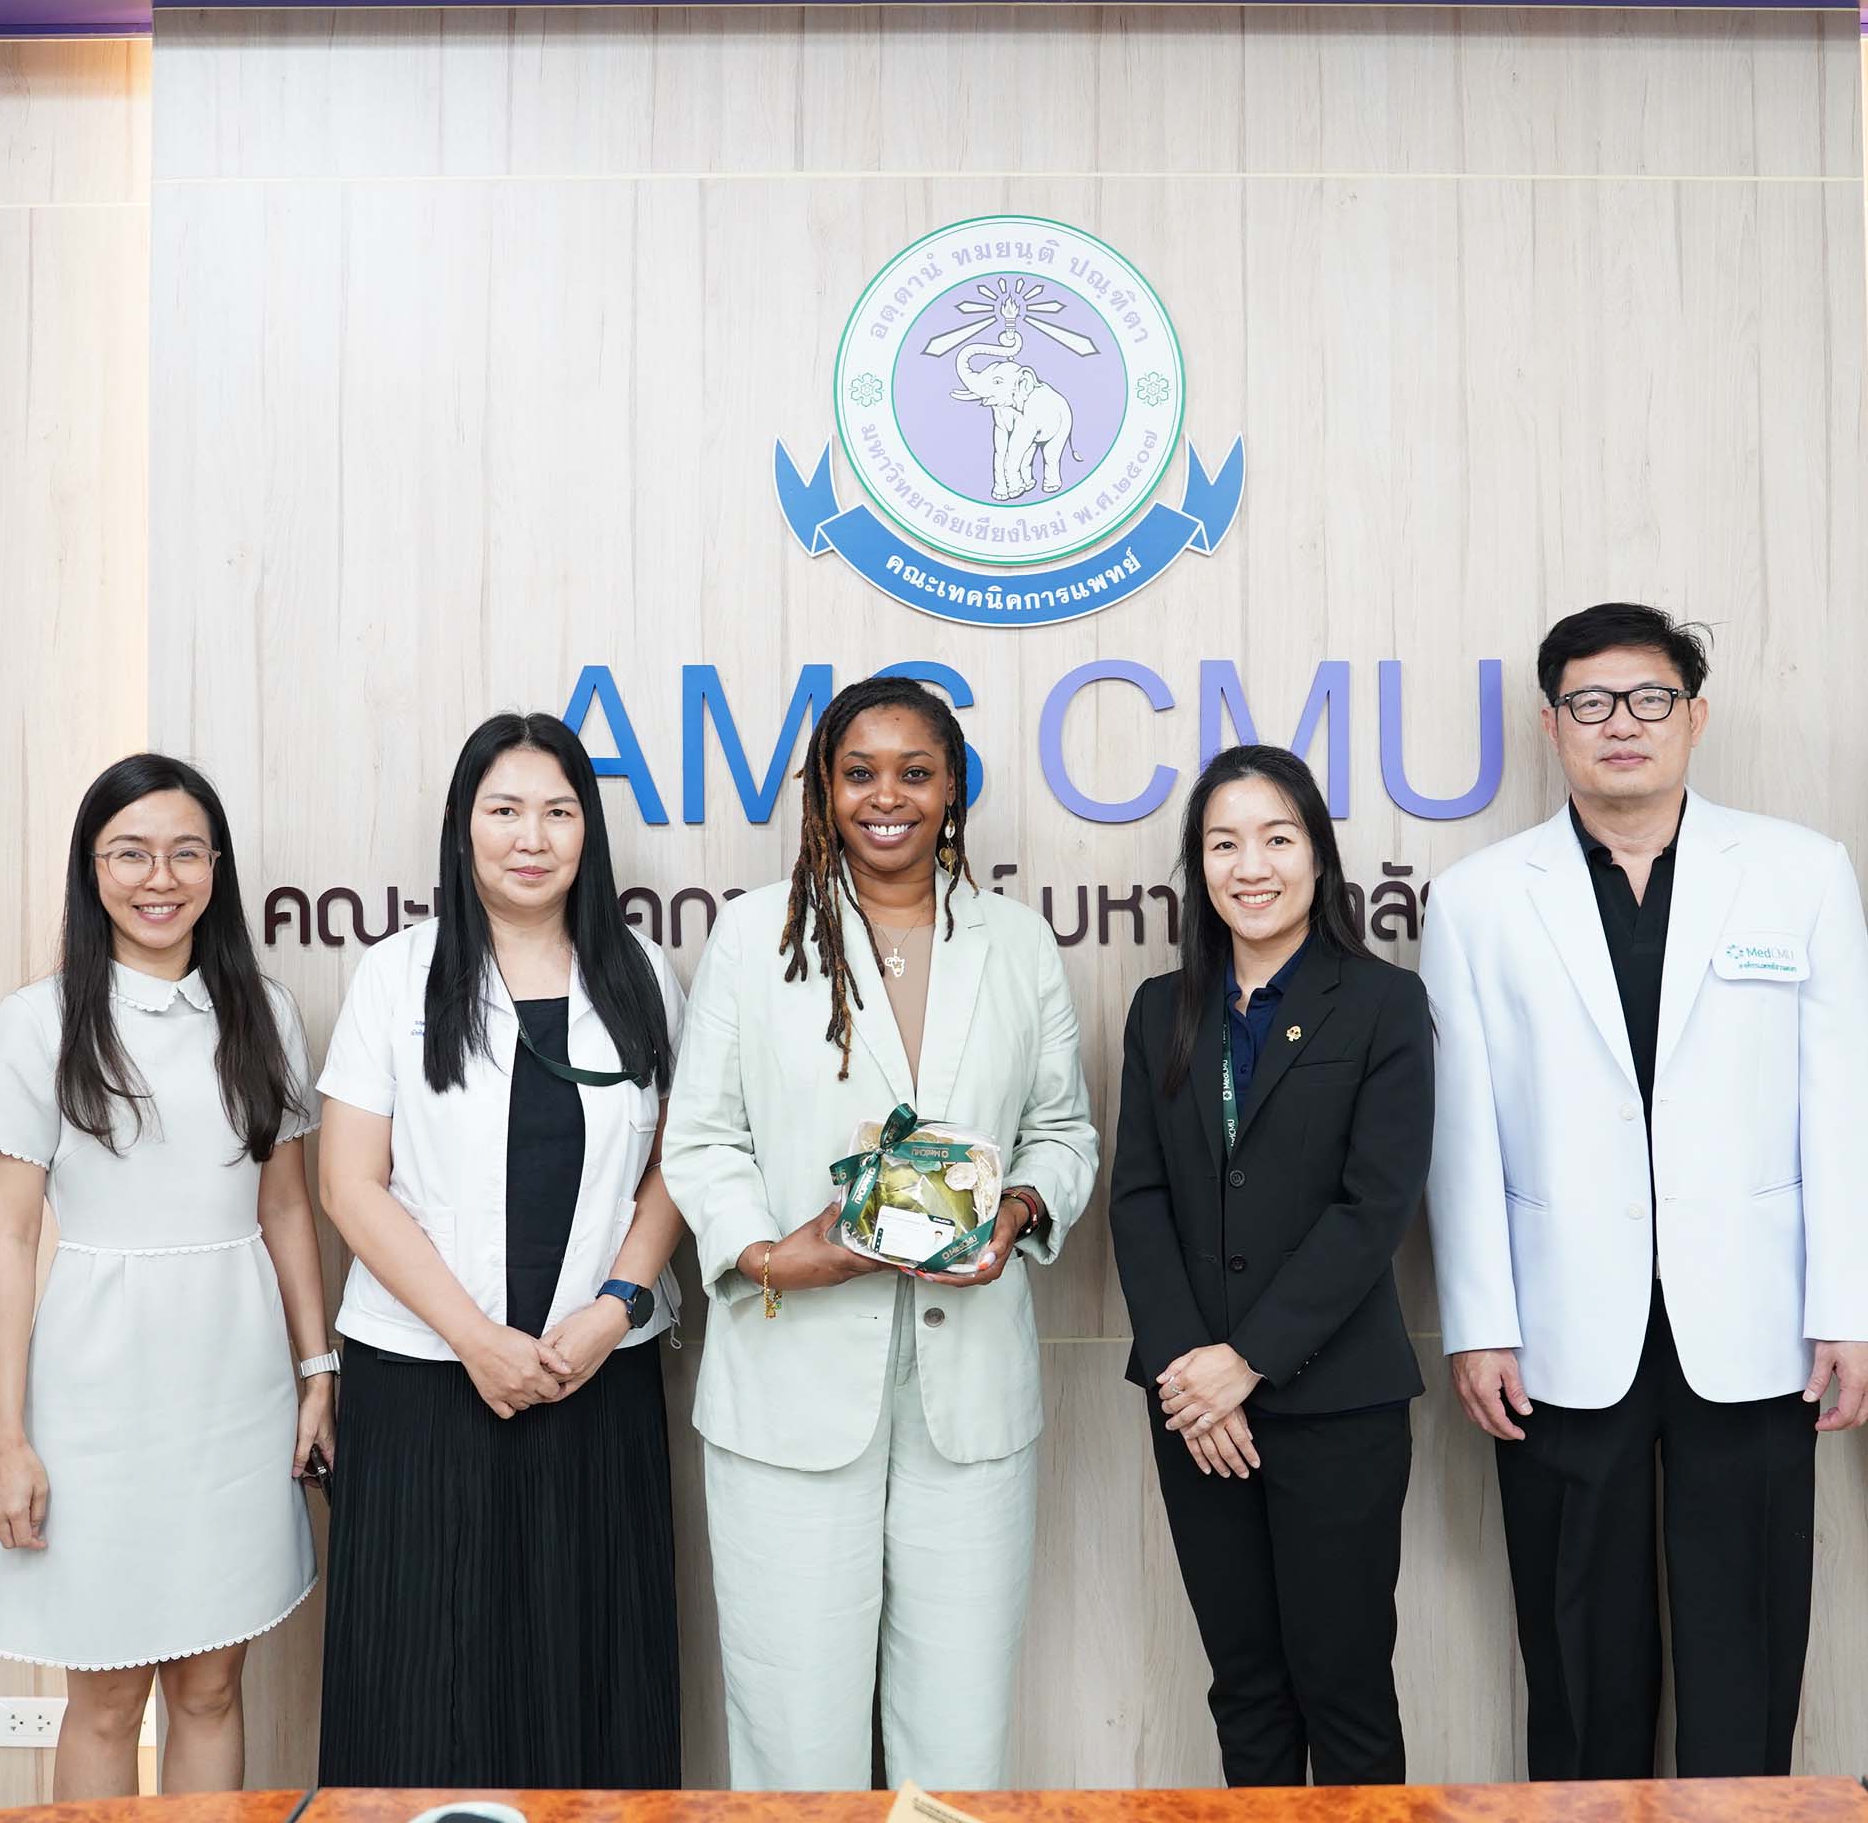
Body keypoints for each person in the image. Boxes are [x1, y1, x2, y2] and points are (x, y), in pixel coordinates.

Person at [1421, 602, 1868, 1780]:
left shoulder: (1798, 871)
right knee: (1579, 1644)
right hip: (1559, 1324)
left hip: (1757, 1318)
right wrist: (1480, 1320)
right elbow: (1461, 1133)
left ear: (1695, 716)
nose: (1619, 723)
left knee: (1749, 1636)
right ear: (1551, 724)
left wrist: (1853, 1306)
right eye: (1589, 702)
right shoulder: (1479, 896)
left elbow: (1842, 1104)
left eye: (1647, 699)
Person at [661, 674, 1099, 1792]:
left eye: (915, 772)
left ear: (953, 789)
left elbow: (1060, 1130)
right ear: (824, 788)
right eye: (860, 773)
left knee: (958, 1734)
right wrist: (770, 1255)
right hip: (790, 1384)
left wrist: (1018, 1211)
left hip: (970, 1394)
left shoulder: (1016, 942)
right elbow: (701, 1139)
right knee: (794, 1731)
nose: (886, 796)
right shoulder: (754, 935)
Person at [313, 712, 686, 1789]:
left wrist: (615, 1309)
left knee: (592, 1675)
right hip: (424, 1378)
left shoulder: (643, 973)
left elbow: (678, 1164)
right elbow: (348, 1182)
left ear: (588, 830)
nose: (533, 837)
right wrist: (476, 1339)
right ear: (463, 825)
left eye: (558, 811)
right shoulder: (399, 974)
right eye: (506, 809)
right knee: (423, 1685)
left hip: (595, 1375)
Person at [0, 754, 327, 1800]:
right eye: (129, 852)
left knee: (211, 1687)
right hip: (95, 1395)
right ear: (92, 868)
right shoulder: (39, 1020)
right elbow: (9, 1242)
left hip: (237, 1387)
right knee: (109, 1696)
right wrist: (4, 1438)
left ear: (217, 866)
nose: (158, 878)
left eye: (184, 852)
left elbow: (286, 1207)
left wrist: (318, 1371)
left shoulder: (262, 1011)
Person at [1109, 744, 1433, 1787]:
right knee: (1244, 1689)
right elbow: (1139, 1199)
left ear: (1318, 855)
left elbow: (1373, 1207)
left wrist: (1243, 1360)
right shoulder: (1161, 1007)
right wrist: (1189, 1374)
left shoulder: (1382, 1002)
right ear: (1199, 865)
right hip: (1195, 1411)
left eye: (1276, 838)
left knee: (1344, 1688)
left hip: (1335, 1400)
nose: (1251, 866)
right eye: (1223, 843)